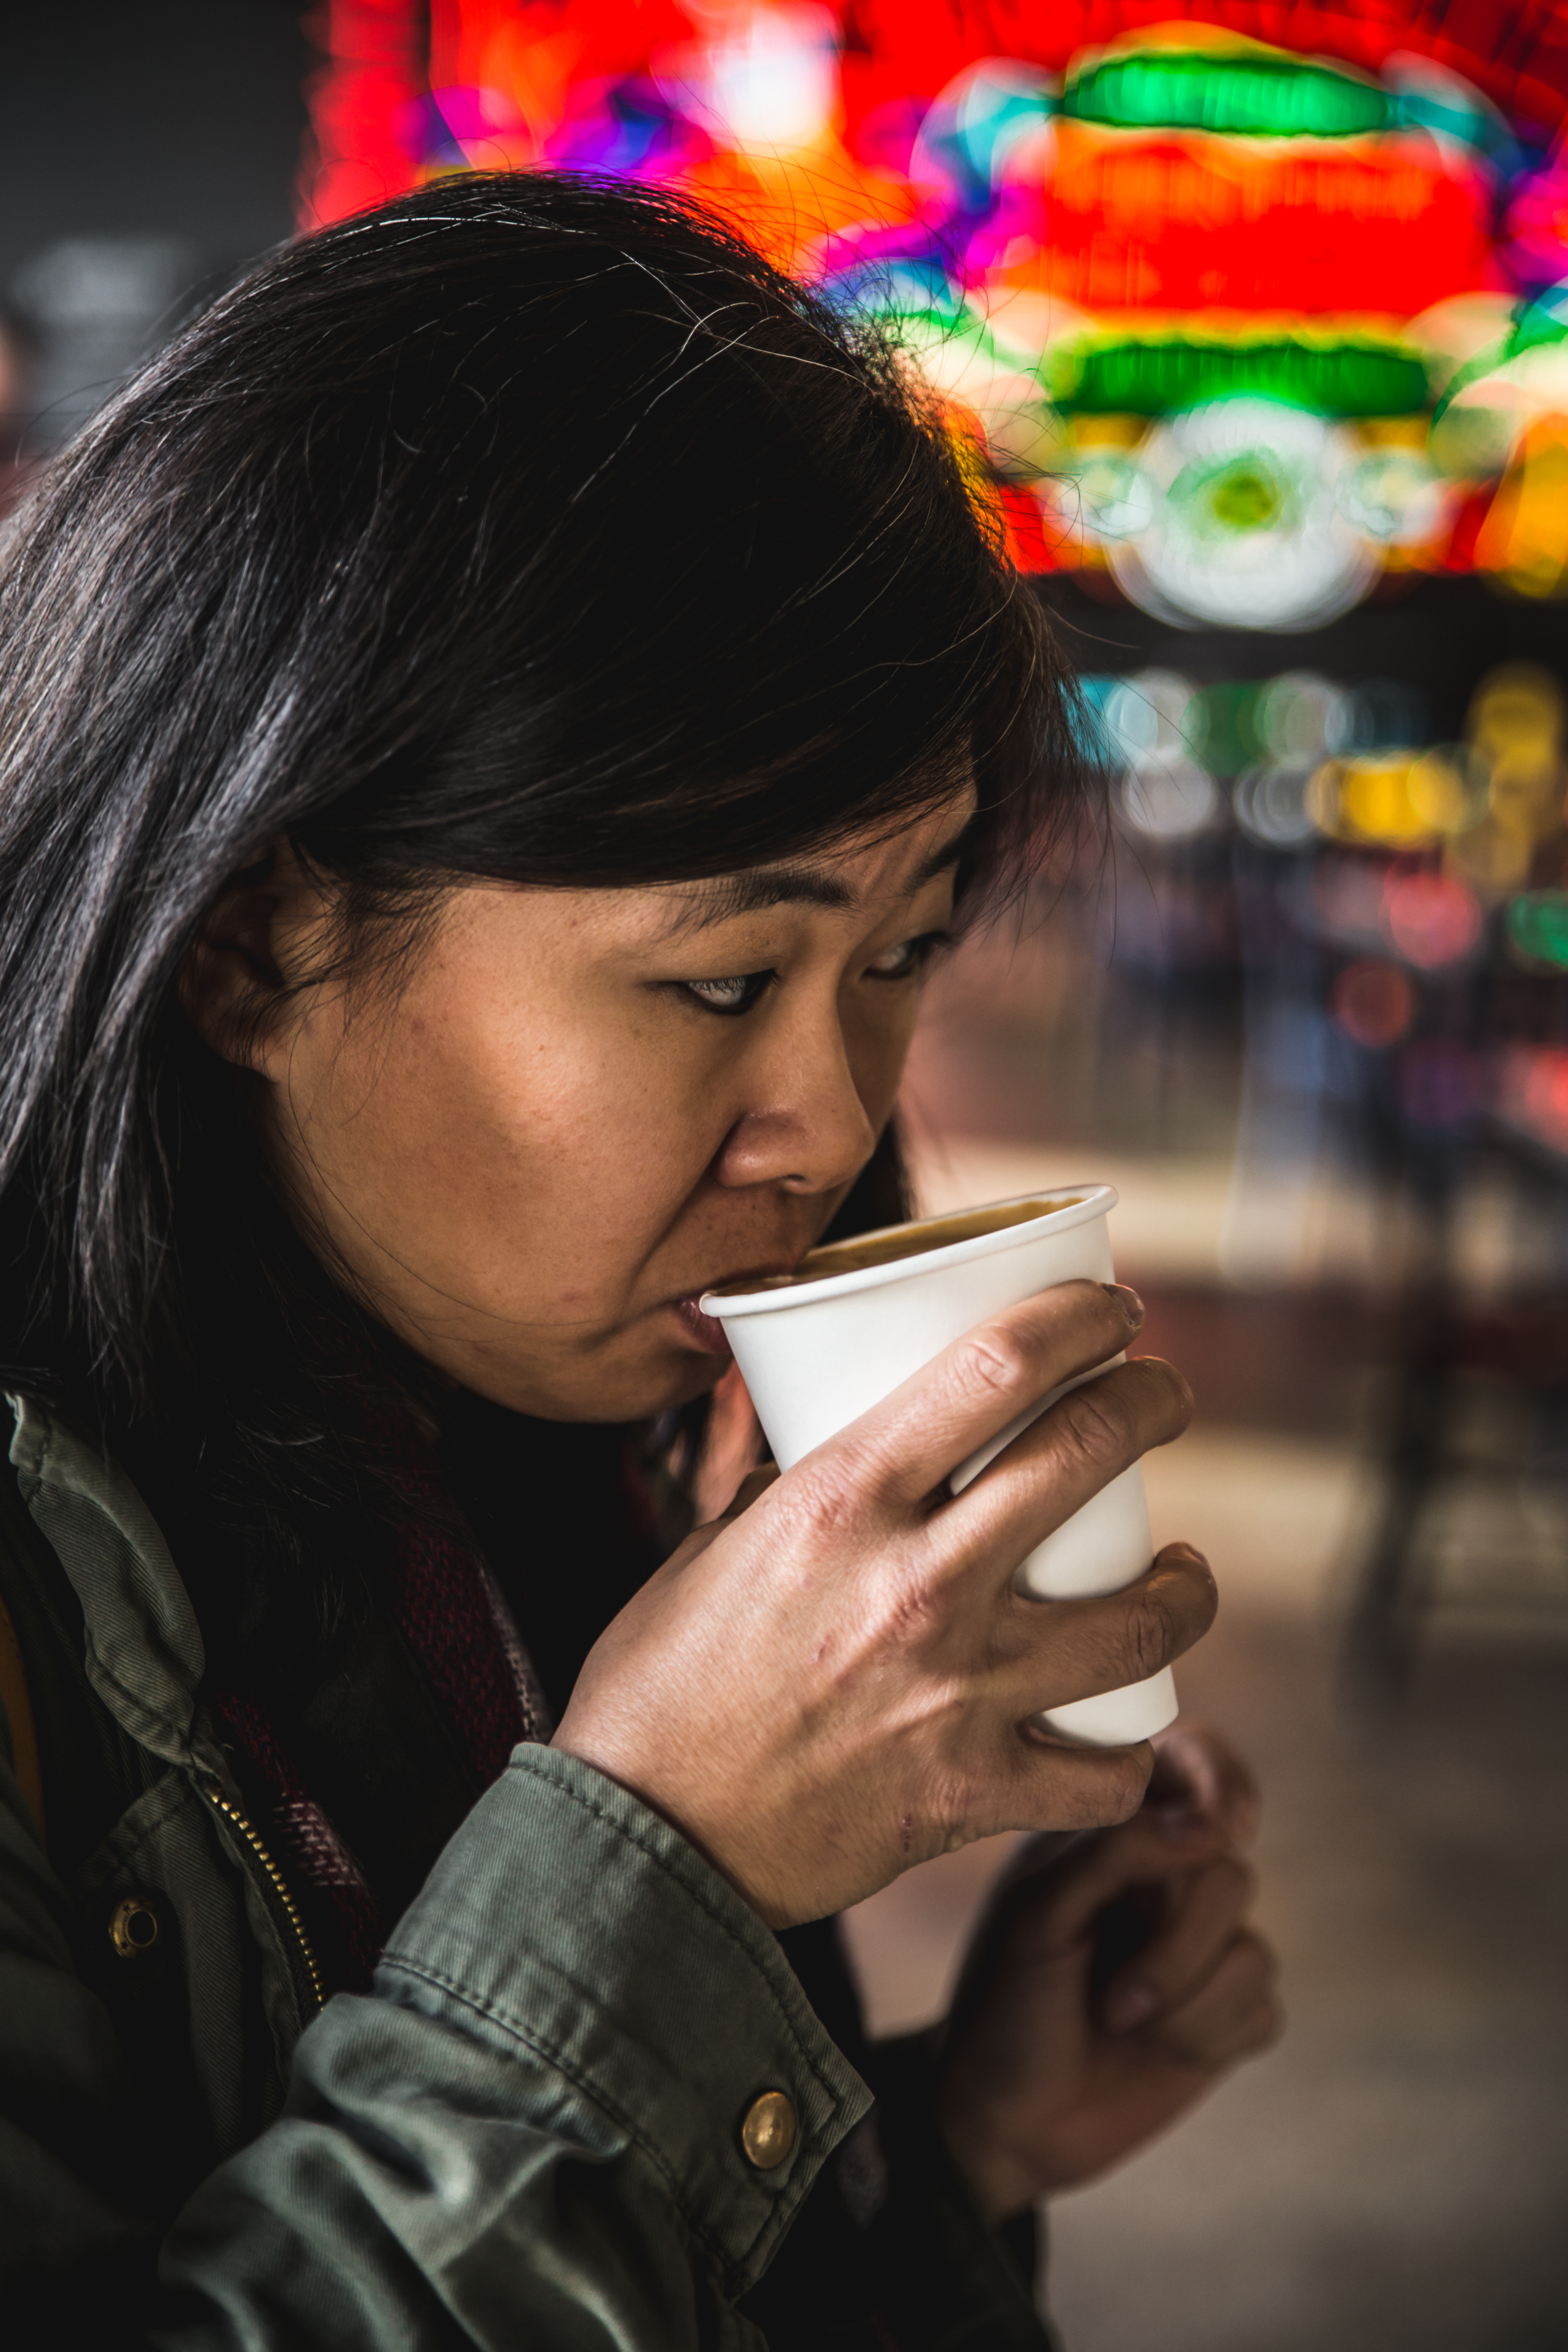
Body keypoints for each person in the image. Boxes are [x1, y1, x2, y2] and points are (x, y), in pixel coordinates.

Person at [0, 174, 1279, 2347]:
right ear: (249, 933)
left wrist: (948, 2151)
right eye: (714, 980)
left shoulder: (519, 1434)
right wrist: (652, 1865)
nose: (834, 1120)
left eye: (898, 952)